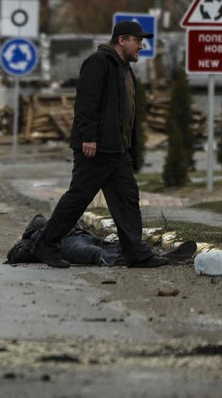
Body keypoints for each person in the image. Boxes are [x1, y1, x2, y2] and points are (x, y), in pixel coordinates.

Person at [34, 20, 159, 269]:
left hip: (117, 149)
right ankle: (45, 244)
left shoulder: (123, 68)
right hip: (97, 148)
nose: (141, 46)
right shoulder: (99, 62)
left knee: (127, 198)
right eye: (137, 40)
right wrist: (88, 137)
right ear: (122, 40)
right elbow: (86, 104)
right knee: (78, 199)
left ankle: (135, 252)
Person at [5, 214, 194, 267]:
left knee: (114, 247)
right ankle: (128, 259)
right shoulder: (27, 245)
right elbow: (13, 255)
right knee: (99, 254)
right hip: (69, 245)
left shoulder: (36, 232)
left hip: (80, 236)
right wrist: (25, 240)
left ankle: (155, 255)